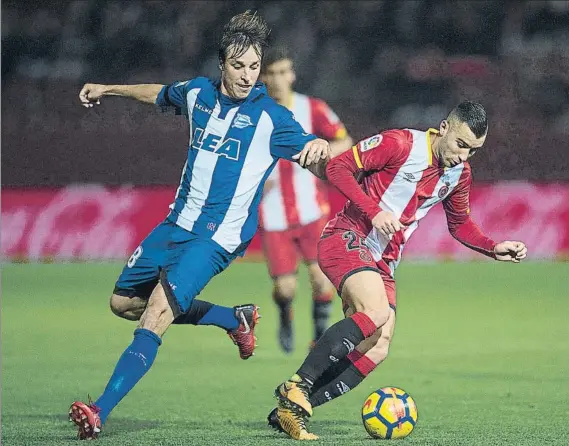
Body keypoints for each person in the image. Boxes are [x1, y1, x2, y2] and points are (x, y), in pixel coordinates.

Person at [68, 11, 331, 440]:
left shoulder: (272, 118)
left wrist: (323, 153)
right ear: (222, 65)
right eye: (239, 66)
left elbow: (314, 158)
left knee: (154, 314)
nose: (248, 76)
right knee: (122, 303)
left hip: (217, 237)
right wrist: (109, 88)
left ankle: (99, 411)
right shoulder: (197, 94)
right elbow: (159, 93)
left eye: (254, 67)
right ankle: (233, 318)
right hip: (176, 223)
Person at [269, 101, 528, 440]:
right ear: (444, 128)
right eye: (461, 145)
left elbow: (460, 223)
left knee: (379, 344)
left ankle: (293, 411)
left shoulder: (459, 174)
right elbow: (338, 169)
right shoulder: (400, 143)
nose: (464, 156)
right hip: (348, 236)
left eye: (473, 151)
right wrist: (374, 212)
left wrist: (493, 247)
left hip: (384, 261)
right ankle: (297, 384)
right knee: (374, 312)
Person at [259, 46, 353, 353]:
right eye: (271, 73)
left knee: (321, 280)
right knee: (285, 288)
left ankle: (319, 336)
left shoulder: (311, 108)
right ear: (262, 77)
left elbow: (345, 140)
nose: (277, 79)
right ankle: (285, 314)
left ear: (293, 74)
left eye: (283, 72)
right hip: (273, 215)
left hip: (312, 210)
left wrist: (321, 152)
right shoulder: (252, 113)